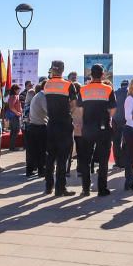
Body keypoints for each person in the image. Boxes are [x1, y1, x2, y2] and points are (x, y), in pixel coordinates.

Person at [77, 64, 115, 196]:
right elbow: (113, 109)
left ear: (90, 75)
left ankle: (85, 189)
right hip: (103, 127)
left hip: (87, 127)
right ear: (103, 74)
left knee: (86, 159)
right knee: (103, 160)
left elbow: (80, 110)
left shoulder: (83, 89)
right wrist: (106, 117)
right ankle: (102, 189)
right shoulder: (108, 89)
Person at [43, 61, 79, 196]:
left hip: (51, 123)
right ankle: (60, 188)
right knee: (63, 158)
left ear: (52, 70)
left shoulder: (47, 84)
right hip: (64, 124)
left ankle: (48, 187)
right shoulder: (68, 85)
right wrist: (67, 113)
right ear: (63, 70)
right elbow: (74, 105)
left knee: (50, 157)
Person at [25, 80, 48, 178]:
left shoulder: (37, 95)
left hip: (32, 126)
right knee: (41, 151)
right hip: (39, 126)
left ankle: (29, 171)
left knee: (32, 151)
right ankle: (41, 171)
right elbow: (47, 110)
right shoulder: (43, 96)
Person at [112, 78, 129, 167]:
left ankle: (117, 162)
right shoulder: (129, 93)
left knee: (116, 142)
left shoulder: (115, 92)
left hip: (115, 120)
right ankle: (123, 162)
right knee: (125, 142)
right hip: (126, 120)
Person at [6, 84, 23, 150]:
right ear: (15, 90)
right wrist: (17, 113)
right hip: (14, 116)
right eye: (18, 89)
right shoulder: (14, 96)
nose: (19, 91)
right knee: (16, 130)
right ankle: (12, 147)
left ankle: (11, 146)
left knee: (13, 131)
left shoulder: (13, 96)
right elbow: (11, 106)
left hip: (14, 116)